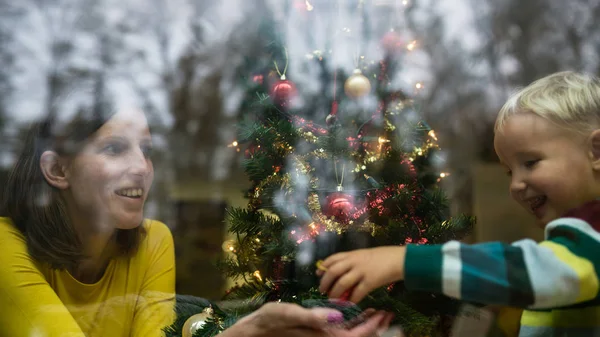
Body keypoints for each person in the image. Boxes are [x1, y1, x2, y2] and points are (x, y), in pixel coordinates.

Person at [0, 98, 392, 337]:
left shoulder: (152, 240)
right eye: (115, 148)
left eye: (146, 150)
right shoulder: (5, 243)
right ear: (58, 171)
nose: (141, 167)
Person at [317, 71, 600, 336]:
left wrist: (405, 260)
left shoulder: (592, 242)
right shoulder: (578, 244)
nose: (515, 185)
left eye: (531, 162)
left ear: (596, 151)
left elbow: (534, 271)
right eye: (510, 172)